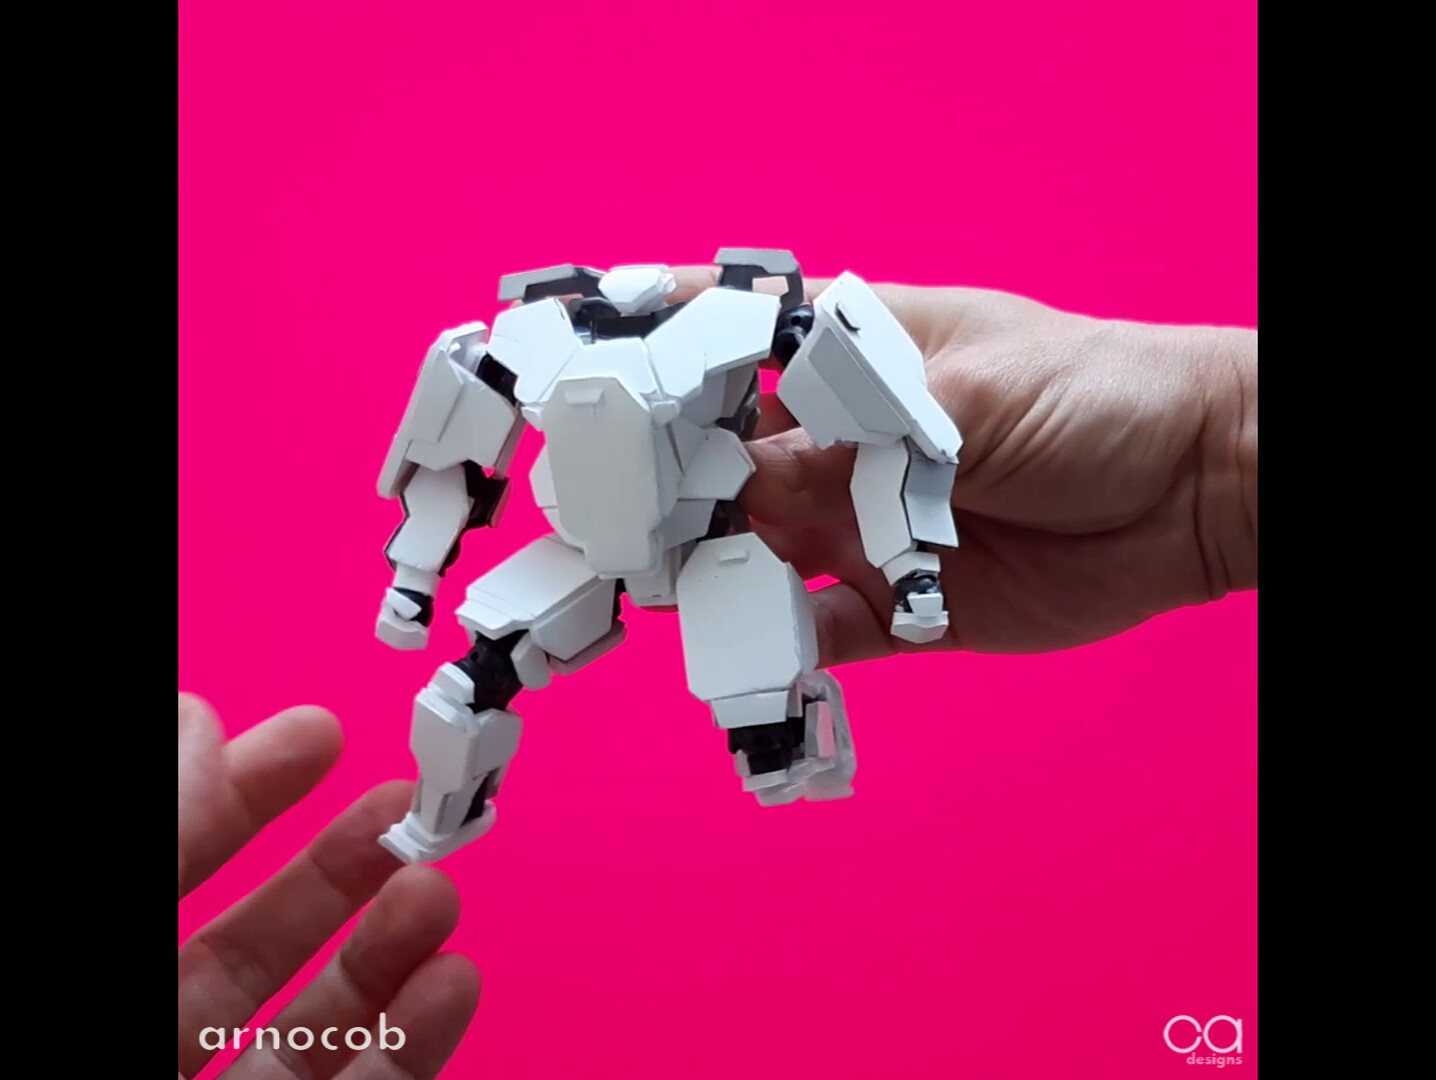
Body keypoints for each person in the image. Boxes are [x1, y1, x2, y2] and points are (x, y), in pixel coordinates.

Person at [177, 271, 1255, 1078]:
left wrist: (910, 562)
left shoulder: (743, 320)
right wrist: (417, 574)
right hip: (580, 549)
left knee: (763, 720)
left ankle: (791, 743)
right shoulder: (518, 344)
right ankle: (441, 817)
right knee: (465, 684)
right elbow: (451, 460)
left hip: (714, 542)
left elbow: (892, 431)